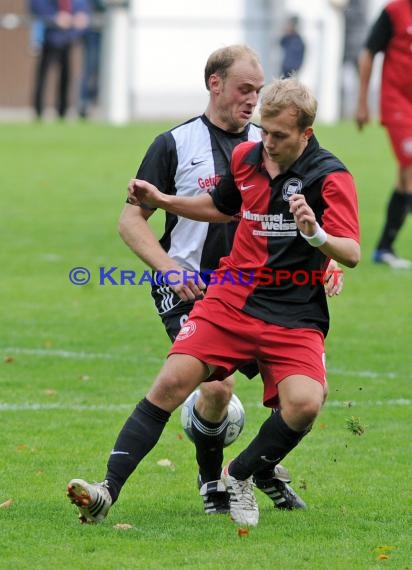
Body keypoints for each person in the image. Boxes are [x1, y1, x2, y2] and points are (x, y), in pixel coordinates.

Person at [67, 76, 359, 527]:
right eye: (263, 130)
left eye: (279, 136)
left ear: (306, 133)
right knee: (171, 383)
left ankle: (239, 474)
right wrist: (163, 199)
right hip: (231, 298)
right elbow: (221, 206)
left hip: (294, 312)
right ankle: (107, 490)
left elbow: (352, 252)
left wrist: (316, 235)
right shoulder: (247, 157)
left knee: (304, 404)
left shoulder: (330, 176)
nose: (267, 142)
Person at [117, 45, 307, 516]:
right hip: (190, 286)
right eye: (245, 89)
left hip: (257, 291)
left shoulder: (271, 148)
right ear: (214, 83)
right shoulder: (175, 144)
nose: (253, 100)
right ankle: (212, 483)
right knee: (217, 386)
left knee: (297, 396)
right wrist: (169, 268)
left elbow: (295, 218)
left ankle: (260, 468)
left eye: (259, 92)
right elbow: (131, 221)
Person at [356, 0, 412, 269]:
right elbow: (368, 53)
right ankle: (385, 248)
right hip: (397, 103)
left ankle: (384, 248)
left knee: (405, 178)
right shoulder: (393, 12)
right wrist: (363, 102)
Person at [30, 0, 90, 119]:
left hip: (66, 38)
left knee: (66, 76)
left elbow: (82, 6)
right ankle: (38, 110)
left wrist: (81, 14)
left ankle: (62, 111)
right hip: (48, 37)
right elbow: (36, 4)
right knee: (43, 76)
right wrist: (54, 17)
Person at [78, 0, 104, 118]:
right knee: (89, 68)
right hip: (92, 31)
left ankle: (98, 101)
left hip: (111, 30)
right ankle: (84, 103)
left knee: (104, 71)